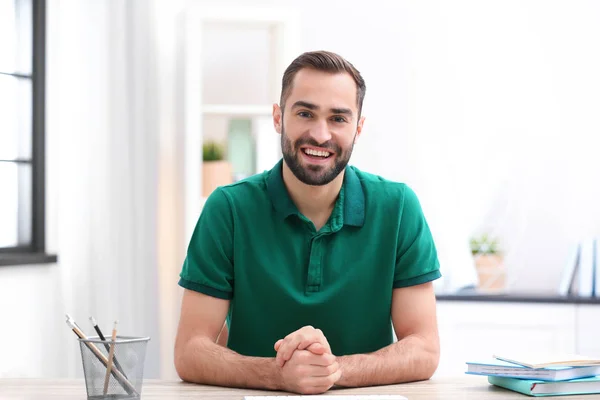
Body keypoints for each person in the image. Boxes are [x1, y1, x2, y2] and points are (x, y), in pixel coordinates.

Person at [174, 50, 441, 395]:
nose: (320, 134)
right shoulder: (228, 209)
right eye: (305, 113)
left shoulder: (399, 207)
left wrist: (332, 370)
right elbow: (190, 351)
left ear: (358, 128)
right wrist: (277, 375)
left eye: (338, 119)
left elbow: (424, 348)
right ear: (278, 117)